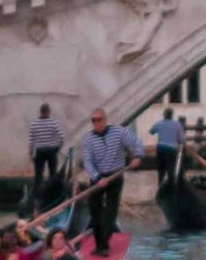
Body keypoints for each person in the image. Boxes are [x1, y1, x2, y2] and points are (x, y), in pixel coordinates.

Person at [75, 106, 142, 249]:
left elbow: (137, 141)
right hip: (98, 176)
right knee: (94, 210)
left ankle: (104, 244)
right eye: (93, 121)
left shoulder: (119, 132)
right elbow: (87, 162)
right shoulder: (88, 139)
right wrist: (98, 177)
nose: (96, 123)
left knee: (111, 211)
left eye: (99, 120)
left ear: (105, 120)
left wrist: (138, 156)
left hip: (116, 175)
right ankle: (100, 242)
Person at [28, 103, 66, 204]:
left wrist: (31, 153)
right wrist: (58, 148)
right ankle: (52, 197)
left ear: (40, 111)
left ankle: (36, 200)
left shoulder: (34, 124)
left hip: (40, 152)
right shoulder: (53, 123)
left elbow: (31, 141)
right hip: (52, 151)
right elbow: (61, 137)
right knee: (52, 175)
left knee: (38, 176)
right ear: (48, 112)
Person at [151, 105, 187, 191]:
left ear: (164, 114)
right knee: (171, 169)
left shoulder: (159, 123)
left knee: (161, 169)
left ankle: (160, 187)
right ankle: (171, 189)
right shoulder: (177, 124)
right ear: (172, 115)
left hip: (161, 149)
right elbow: (182, 139)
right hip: (172, 149)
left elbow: (152, 131)